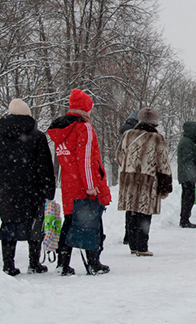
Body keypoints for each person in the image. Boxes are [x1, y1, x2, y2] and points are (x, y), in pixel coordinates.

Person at [0, 99, 56, 276]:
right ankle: (34, 263)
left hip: (7, 192)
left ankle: (8, 264)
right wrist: (48, 190)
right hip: (32, 190)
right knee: (34, 226)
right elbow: (45, 166)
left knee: (9, 225)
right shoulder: (37, 137)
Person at [47, 89, 112, 276]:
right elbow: (86, 160)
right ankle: (93, 262)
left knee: (69, 223)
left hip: (69, 184)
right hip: (85, 185)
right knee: (91, 224)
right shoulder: (84, 128)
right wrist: (91, 186)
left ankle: (63, 263)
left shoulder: (61, 132)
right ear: (85, 109)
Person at [116, 107, 172, 256]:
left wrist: (131, 167)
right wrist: (165, 185)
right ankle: (142, 247)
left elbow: (120, 157)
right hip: (147, 181)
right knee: (144, 213)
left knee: (131, 211)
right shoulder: (156, 138)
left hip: (129, 180)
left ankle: (133, 245)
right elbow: (163, 163)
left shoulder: (128, 135)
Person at [119, 110, 138, 246]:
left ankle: (128, 234)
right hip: (136, 173)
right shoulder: (136, 133)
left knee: (129, 205)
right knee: (137, 206)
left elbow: (119, 153)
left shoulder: (124, 131)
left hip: (126, 172)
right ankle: (133, 235)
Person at [177, 121, 196, 228]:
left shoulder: (187, 141)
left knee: (189, 197)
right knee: (188, 197)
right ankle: (184, 219)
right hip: (187, 176)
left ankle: (185, 218)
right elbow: (188, 161)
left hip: (186, 175)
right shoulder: (187, 143)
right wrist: (192, 175)